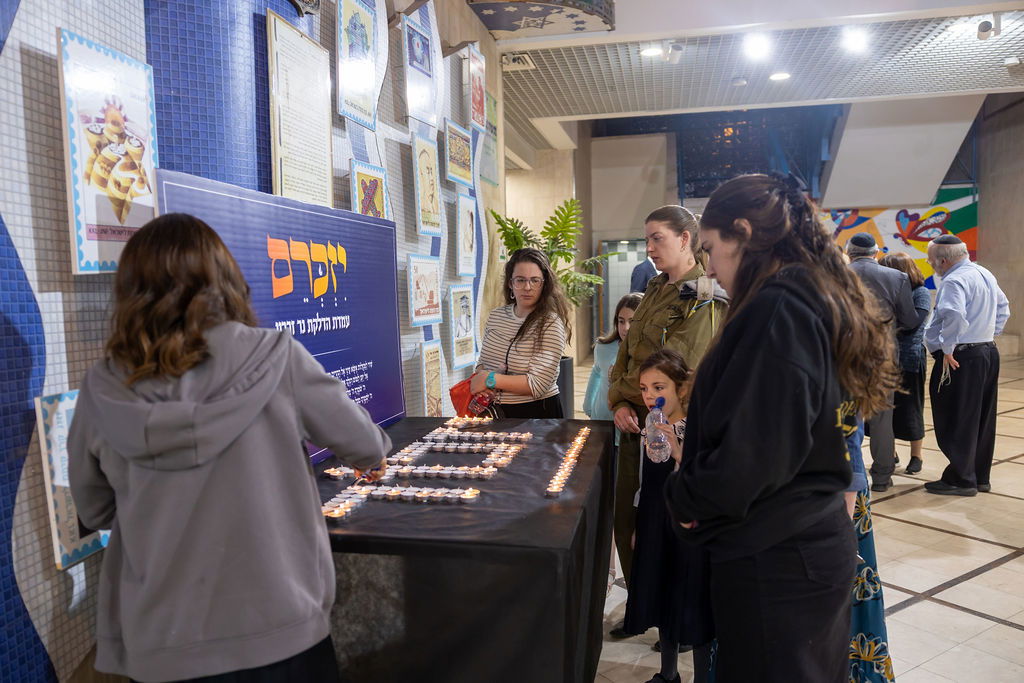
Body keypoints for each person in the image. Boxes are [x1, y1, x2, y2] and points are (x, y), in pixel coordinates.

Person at [68, 214, 391, 683]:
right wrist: (374, 456)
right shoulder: (276, 357)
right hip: (282, 628)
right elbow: (363, 443)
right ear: (224, 279)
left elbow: (94, 509)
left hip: (163, 645)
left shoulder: (102, 386)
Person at [666, 174, 900, 682]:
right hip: (799, 545)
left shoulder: (778, 307)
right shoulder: (808, 296)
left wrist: (684, 499)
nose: (711, 267)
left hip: (778, 556)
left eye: (711, 249)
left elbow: (753, 457)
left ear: (744, 233)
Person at [606, 205, 727, 626]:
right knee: (628, 517)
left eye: (657, 238)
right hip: (633, 421)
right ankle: (642, 607)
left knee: (669, 525)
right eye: (647, 239)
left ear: (685, 239)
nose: (650, 248)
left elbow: (676, 365)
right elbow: (625, 352)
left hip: (674, 430)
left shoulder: (704, 294)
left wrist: (624, 393)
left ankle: (674, 618)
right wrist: (620, 402)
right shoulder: (655, 287)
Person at [624, 350, 714, 683]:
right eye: (644, 389)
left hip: (685, 525)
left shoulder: (696, 430)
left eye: (659, 388)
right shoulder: (650, 428)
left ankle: (703, 676)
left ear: (681, 389)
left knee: (689, 601)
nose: (650, 396)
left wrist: (679, 452)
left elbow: (700, 481)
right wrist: (639, 524)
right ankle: (668, 672)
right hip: (654, 519)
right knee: (662, 593)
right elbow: (645, 481)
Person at [923, 234, 1010, 496]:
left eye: (931, 259)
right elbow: (1004, 308)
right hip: (986, 351)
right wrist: (987, 334)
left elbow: (954, 314)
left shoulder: (954, 280)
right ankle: (979, 476)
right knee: (982, 417)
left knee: (956, 416)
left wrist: (948, 348)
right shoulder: (984, 273)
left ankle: (961, 479)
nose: (929, 263)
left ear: (943, 260)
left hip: (962, 356)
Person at [847, 232, 919, 492]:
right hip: (883, 356)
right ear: (876, 253)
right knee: (882, 418)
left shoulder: (835, 275)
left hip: (845, 356)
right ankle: (881, 476)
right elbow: (909, 320)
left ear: (849, 253)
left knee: (846, 415)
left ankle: (850, 474)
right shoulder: (897, 277)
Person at [471, 247, 571, 418]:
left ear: (544, 284)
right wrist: (484, 383)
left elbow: (538, 384)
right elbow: (483, 363)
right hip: (493, 411)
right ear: (510, 283)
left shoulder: (550, 323)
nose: (527, 287)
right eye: (520, 280)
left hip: (536, 414)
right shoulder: (496, 316)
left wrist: (490, 379)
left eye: (535, 280)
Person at [879, 252, 932, 475]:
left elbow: (912, 324)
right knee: (886, 411)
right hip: (885, 358)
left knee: (912, 409)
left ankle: (916, 456)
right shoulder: (890, 290)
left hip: (909, 359)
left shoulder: (920, 292)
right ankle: (891, 454)